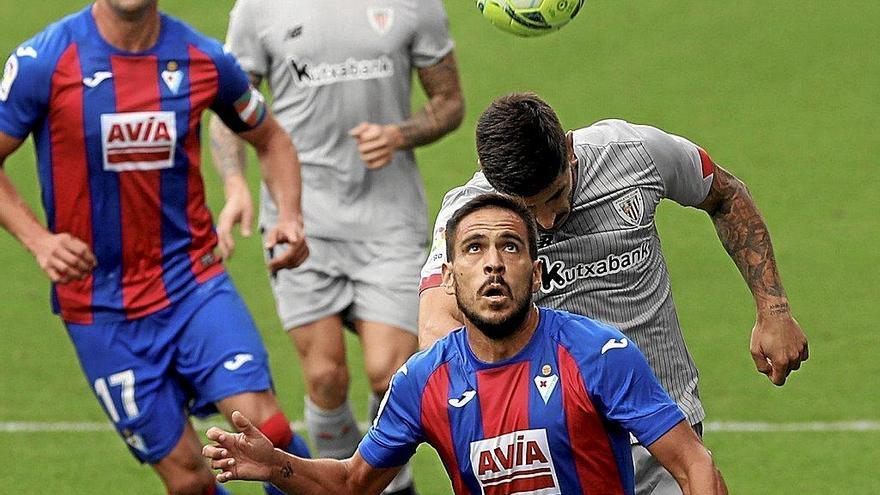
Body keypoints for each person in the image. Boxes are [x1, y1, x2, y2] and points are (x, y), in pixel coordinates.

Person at [202, 194, 729, 495]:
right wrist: (279, 466)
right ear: (449, 278)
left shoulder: (597, 356)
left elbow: (694, 464)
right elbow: (350, 485)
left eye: (510, 246)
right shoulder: (423, 380)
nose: (494, 262)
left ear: (538, 272)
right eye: (475, 248)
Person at [418, 93, 808, 494]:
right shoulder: (470, 219)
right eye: (528, 210)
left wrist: (774, 309)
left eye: (555, 194)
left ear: (569, 149)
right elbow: (435, 324)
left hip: (662, 433)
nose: (548, 220)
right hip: (556, 452)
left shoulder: (634, 154)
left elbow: (724, 194)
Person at [0, 1, 312, 494]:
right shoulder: (45, 60)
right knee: (187, 478)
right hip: (99, 306)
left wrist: (290, 216)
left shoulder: (203, 58)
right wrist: (39, 241)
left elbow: (270, 138)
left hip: (191, 281)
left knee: (267, 430)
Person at [209, 1, 464, 493]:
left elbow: (450, 101)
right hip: (298, 219)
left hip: (389, 220)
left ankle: (390, 482)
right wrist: (236, 182)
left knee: (389, 374)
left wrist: (398, 134)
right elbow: (229, 106)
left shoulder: (415, 5)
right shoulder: (258, 9)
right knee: (325, 378)